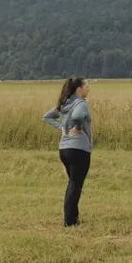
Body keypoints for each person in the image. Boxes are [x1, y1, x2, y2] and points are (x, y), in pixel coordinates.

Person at [42, 77, 93, 227]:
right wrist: (77, 127)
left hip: (64, 149)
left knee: (72, 183)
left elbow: (47, 117)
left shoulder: (64, 103)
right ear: (79, 89)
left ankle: (73, 216)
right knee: (75, 185)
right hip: (79, 149)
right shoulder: (81, 103)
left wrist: (62, 129)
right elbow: (78, 116)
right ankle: (70, 221)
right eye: (87, 86)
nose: (88, 89)